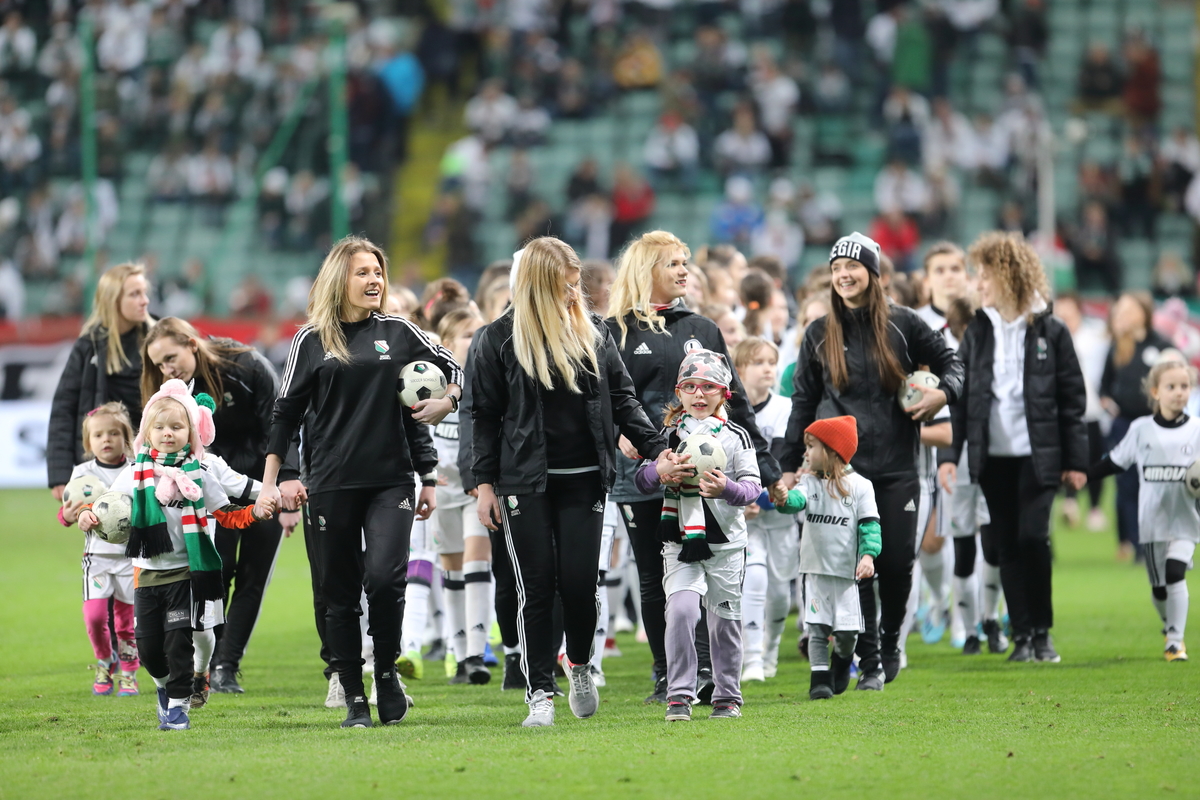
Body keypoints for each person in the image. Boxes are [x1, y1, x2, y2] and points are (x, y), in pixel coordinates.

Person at [260, 235, 462, 729]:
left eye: (377, 272)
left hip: (391, 481)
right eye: (362, 273)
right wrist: (273, 482)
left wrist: (447, 401)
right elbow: (284, 416)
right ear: (339, 279)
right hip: (329, 483)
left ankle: (386, 672)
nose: (374, 281)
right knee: (339, 593)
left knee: (387, 580)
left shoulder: (399, 331)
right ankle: (353, 693)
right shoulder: (310, 340)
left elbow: (455, 367)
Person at [470, 236, 669, 727]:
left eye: (575, 285)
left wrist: (661, 449)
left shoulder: (594, 333)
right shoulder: (496, 339)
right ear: (537, 286)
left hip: (584, 479)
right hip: (524, 483)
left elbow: (623, 400)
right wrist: (485, 485)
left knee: (580, 585)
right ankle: (540, 691)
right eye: (563, 287)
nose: (572, 295)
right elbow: (483, 416)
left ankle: (578, 663)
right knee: (537, 587)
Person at [774, 232, 962, 690]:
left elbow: (955, 365)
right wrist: (786, 465)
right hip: (841, 473)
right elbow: (803, 402)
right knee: (855, 566)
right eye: (836, 268)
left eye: (852, 267)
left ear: (873, 273)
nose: (843, 274)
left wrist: (942, 392)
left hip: (898, 466)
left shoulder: (906, 324)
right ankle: (870, 656)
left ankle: (892, 639)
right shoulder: (818, 332)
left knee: (896, 564)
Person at [606, 230, 783, 703]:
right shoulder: (614, 330)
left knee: (706, 562)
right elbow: (601, 401)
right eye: (674, 264)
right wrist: (618, 435)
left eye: (685, 262)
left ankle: (706, 671)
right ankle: (666, 674)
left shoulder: (702, 328)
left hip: (707, 476)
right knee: (652, 574)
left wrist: (765, 468)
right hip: (642, 472)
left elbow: (737, 401)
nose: (686, 271)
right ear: (646, 272)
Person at [79, 381, 273, 731]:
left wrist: (255, 513)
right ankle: (165, 687)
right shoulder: (135, 473)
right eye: (160, 427)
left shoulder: (199, 472)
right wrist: (87, 515)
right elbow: (105, 507)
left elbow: (226, 512)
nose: (168, 433)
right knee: (151, 651)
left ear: (192, 432)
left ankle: (180, 700)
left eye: (177, 427)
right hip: (146, 573)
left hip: (188, 572)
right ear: (146, 433)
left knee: (184, 638)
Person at [938, 232, 1088, 664]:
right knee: (1005, 544)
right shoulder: (978, 331)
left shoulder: (1052, 330)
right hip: (992, 457)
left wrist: (1076, 463)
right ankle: (1021, 636)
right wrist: (951, 456)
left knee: (1032, 537)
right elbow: (962, 398)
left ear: (1008, 275)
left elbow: (1071, 400)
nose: (977, 284)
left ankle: (1043, 632)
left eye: (984, 275)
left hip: (1039, 456)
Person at [141, 317, 303, 694]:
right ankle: (210, 665)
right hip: (214, 487)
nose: (167, 369)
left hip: (264, 484)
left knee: (252, 579)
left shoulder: (246, 365)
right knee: (218, 573)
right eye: (160, 364)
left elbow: (282, 424)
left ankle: (228, 665)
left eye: (171, 357)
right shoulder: (170, 391)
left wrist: (285, 486)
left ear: (191, 343)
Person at [633, 349, 760, 721]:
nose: (699, 395)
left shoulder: (737, 436)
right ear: (679, 392)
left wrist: (727, 490)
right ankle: (679, 695)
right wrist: (660, 473)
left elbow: (753, 488)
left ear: (725, 393)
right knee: (682, 611)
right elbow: (641, 479)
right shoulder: (668, 435)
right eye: (690, 387)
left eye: (708, 387)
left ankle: (727, 696)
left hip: (727, 545)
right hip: (680, 542)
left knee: (723, 622)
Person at [1091, 358, 1196, 662]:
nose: (1179, 392)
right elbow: (1115, 461)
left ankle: (1175, 642)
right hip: (1152, 523)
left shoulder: (1197, 430)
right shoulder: (1141, 430)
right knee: (1159, 587)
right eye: (1171, 386)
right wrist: (1084, 473)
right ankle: (1168, 623)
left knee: (1176, 573)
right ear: (1155, 392)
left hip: (1186, 520)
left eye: (1185, 386)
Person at [776, 416, 881, 699]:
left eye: (812, 447)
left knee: (847, 635)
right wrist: (783, 497)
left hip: (847, 576)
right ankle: (819, 680)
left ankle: (843, 661)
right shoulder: (809, 482)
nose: (806, 454)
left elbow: (870, 526)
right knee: (818, 628)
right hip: (815, 572)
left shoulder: (861, 486)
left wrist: (869, 556)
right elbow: (795, 502)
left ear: (833, 451)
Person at [48, 263, 152, 500]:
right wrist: (59, 473)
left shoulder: (158, 338)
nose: (144, 301)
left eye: (144, 293)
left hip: (151, 461)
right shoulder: (89, 345)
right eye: (135, 294)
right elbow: (64, 408)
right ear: (113, 299)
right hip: (102, 466)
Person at [57, 402, 140, 698]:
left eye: (114, 433)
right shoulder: (82, 472)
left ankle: (129, 673)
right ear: (88, 442)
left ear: (126, 438)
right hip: (97, 559)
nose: (106, 440)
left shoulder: (136, 469)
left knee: (126, 623)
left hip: (131, 559)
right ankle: (105, 662)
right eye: (99, 435)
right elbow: (66, 513)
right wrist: (74, 516)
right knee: (94, 617)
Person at [430, 307, 492, 686]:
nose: (475, 340)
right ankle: (457, 653)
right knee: (451, 571)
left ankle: (476, 654)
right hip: (441, 492)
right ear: (449, 344)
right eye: (468, 334)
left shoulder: (486, 380)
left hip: (474, 490)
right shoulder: (429, 383)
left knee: (476, 563)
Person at [731, 337, 796, 682]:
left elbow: (785, 465)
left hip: (779, 517)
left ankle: (770, 650)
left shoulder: (784, 408)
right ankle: (752, 656)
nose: (769, 368)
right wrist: (742, 502)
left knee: (781, 594)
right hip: (746, 519)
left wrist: (764, 498)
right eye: (759, 362)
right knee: (754, 578)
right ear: (740, 370)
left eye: (772, 361)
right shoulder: (728, 411)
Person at [1101, 292, 1171, 561]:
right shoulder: (1118, 346)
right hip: (1124, 426)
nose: (1124, 315)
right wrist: (1110, 404)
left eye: (1130, 310)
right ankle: (1134, 543)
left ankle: (1157, 541)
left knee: (1155, 484)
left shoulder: (1161, 344)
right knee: (1126, 485)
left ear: (1144, 312)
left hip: (1156, 425)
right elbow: (1104, 387)